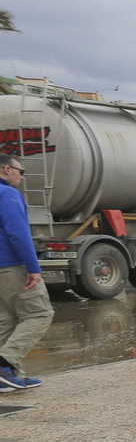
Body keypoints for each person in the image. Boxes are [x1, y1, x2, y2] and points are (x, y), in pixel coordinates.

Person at [0, 154, 51, 391]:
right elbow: (18, 234)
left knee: (6, 321)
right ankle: (5, 363)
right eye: (21, 171)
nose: (22, 176)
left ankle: (10, 376)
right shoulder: (7, 194)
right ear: (6, 169)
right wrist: (34, 268)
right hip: (11, 267)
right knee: (40, 315)